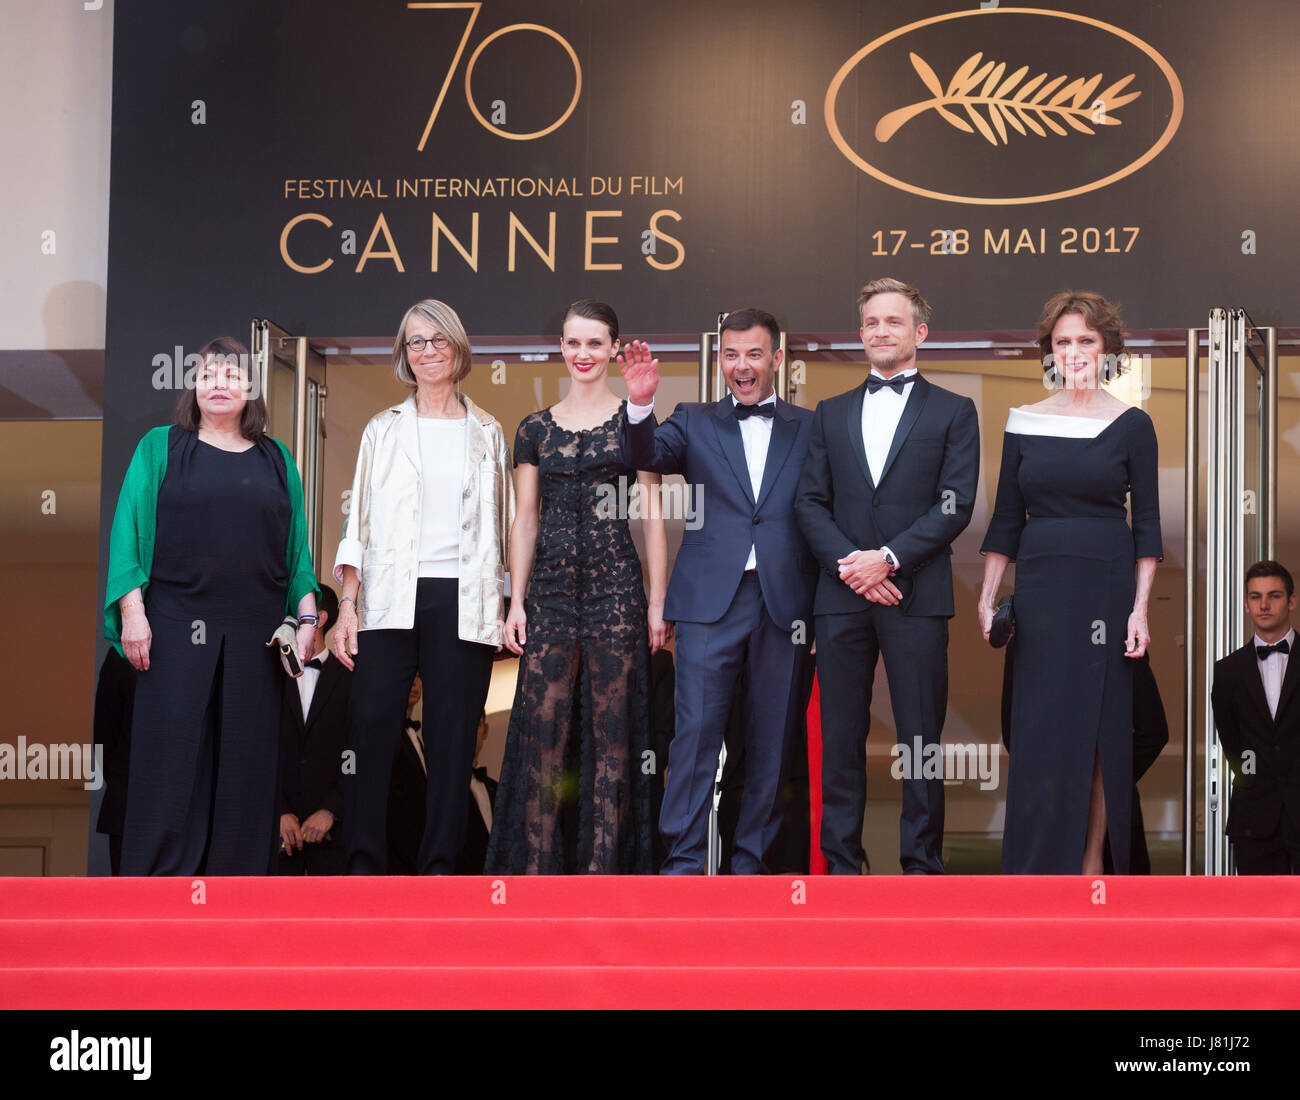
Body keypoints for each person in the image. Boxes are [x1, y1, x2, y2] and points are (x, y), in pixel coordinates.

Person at [104, 336, 318, 875]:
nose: (219, 384)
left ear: (251, 390)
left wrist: (309, 617)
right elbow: (126, 533)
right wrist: (133, 612)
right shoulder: (160, 447)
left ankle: (234, 909)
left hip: (257, 639)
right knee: (170, 769)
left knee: (246, 775)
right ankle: (157, 907)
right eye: (208, 375)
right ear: (194, 387)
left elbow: (299, 557)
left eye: (232, 375)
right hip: (172, 630)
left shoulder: (278, 458)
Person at [619, 308, 816, 874]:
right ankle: (681, 864)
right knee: (694, 739)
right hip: (708, 605)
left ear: (778, 359)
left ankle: (749, 865)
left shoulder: (812, 426)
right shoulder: (693, 419)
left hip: (785, 606)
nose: (741, 365)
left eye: (754, 354)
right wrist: (639, 404)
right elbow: (643, 456)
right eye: (731, 355)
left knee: (772, 745)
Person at [796, 278, 979, 875]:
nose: (880, 331)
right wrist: (856, 567)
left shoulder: (955, 410)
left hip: (916, 594)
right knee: (841, 738)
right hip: (842, 596)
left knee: (921, 740)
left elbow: (956, 503)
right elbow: (808, 505)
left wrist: (890, 559)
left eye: (893, 322)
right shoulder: (829, 413)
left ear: (919, 333)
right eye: (871, 322)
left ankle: (921, 867)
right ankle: (843, 868)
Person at [979, 290, 1161, 875]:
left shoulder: (1133, 425)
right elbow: (1006, 517)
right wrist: (987, 598)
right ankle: (1034, 874)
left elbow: (1149, 529)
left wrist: (1139, 611)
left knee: (1101, 735)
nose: (1074, 350)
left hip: (1106, 586)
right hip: (1040, 591)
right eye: (1063, 341)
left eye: (1086, 339)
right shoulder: (1023, 422)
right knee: (1039, 734)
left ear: (1107, 348)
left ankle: (1089, 867)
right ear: (1049, 350)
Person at [333, 299, 513, 875]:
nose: (427, 351)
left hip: (463, 597)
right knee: (373, 725)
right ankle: (364, 862)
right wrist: (346, 606)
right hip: (389, 597)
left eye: (438, 341)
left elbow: (505, 525)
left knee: (453, 734)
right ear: (403, 355)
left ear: (458, 349)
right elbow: (357, 523)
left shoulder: (488, 431)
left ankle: (440, 869)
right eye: (415, 342)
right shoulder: (382, 430)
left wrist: (513, 604)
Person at [486, 298, 666, 874]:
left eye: (595, 343)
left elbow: (652, 514)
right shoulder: (534, 429)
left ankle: (605, 880)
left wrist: (657, 603)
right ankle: (537, 882)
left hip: (617, 595)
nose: (582, 353)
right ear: (560, 347)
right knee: (543, 740)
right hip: (552, 597)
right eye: (572, 342)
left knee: (614, 744)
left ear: (614, 348)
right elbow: (525, 519)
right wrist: (516, 600)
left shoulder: (635, 420)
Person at [1001, 641, 1169, 873]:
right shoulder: (1117, 636)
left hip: (1065, 815)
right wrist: (1108, 773)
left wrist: (1106, 774)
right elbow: (1014, 735)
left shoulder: (1120, 635)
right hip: (1062, 815)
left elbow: (1016, 736)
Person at [1211, 560, 1300, 874]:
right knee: (1260, 918)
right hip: (1253, 817)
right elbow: (1232, 744)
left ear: (1291, 601)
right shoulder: (1227, 672)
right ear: (1247, 605)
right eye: (1255, 596)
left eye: (1274, 595)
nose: (1264, 604)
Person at [278, 583, 351, 875]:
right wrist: (279, 811)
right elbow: (254, 750)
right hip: (277, 841)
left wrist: (331, 809)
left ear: (319, 619)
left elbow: (359, 753)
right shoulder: (269, 676)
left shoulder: (351, 680)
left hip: (335, 844)